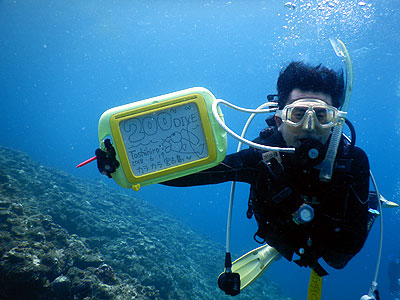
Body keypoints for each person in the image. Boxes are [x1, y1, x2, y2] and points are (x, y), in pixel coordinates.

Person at [97, 61, 371, 277]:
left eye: (321, 116)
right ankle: (273, 250)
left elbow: (350, 245)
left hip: (329, 243)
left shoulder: (351, 163)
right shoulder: (263, 157)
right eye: (298, 114)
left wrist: (298, 208)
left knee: (337, 261)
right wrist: (127, 162)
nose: (309, 127)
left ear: (335, 122)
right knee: (280, 242)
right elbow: (193, 175)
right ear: (279, 118)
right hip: (281, 235)